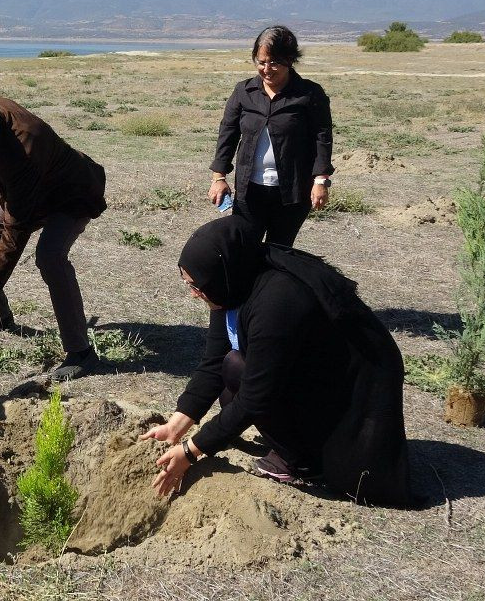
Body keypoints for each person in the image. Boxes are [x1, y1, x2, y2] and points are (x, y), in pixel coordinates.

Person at [141, 216, 411, 507]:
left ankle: (305, 462)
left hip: (352, 392)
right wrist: (176, 425)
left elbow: (257, 396)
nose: (194, 294)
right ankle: (296, 443)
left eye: (197, 286)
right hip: (310, 371)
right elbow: (213, 361)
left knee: (239, 373)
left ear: (220, 275)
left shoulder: (278, 301)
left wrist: (191, 451)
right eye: (189, 285)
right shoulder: (234, 279)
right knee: (230, 375)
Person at [0, 93, 108, 381]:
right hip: (21, 192)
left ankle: (81, 352)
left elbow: (15, 230)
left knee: (50, 258)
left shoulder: (24, 146)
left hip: (69, 194)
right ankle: (0, 317)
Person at [207, 25, 334, 247]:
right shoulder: (243, 92)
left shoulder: (310, 94)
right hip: (249, 192)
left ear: (290, 60)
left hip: (292, 192)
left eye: (274, 62)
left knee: (279, 251)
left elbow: (322, 138)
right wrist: (218, 178)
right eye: (261, 61)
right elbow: (227, 133)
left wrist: (320, 181)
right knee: (244, 249)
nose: (267, 69)